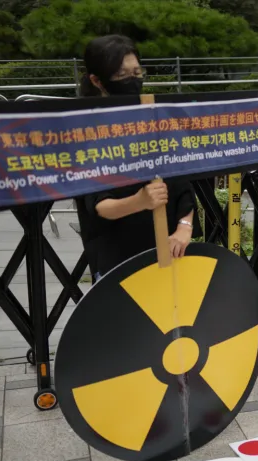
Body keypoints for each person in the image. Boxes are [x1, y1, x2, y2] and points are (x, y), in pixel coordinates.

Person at [78, 35, 196, 279]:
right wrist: (140, 201)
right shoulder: (88, 132)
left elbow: (183, 184)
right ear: (97, 81)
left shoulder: (156, 121)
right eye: (122, 76)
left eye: (137, 72)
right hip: (119, 263)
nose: (132, 81)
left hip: (172, 254)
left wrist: (185, 227)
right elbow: (100, 207)